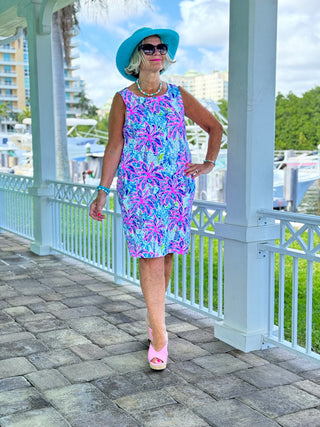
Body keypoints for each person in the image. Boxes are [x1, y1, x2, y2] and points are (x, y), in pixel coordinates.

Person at [89, 27, 223, 370]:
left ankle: (154, 321)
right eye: (149, 48)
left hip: (175, 190)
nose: (157, 52)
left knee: (164, 260)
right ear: (137, 58)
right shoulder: (123, 98)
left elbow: (214, 128)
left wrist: (208, 163)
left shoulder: (178, 94)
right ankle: (161, 338)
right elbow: (114, 146)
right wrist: (103, 191)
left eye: (161, 48)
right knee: (149, 259)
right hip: (139, 190)